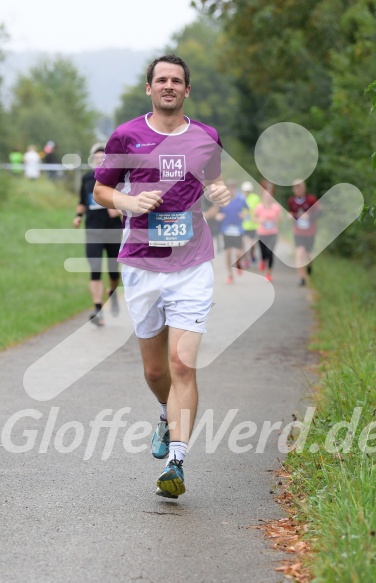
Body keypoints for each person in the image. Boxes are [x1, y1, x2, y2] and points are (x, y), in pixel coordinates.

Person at [92, 54, 230, 498]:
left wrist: (220, 191)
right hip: (141, 265)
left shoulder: (207, 137)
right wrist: (128, 203)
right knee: (156, 373)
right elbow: (101, 188)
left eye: (177, 80)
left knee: (181, 364)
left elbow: (213, 181)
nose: (169, 85)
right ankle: (164, 414)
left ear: (187, 90)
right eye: (161, 80)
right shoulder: (126, 135)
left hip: (191, 264)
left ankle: (177, 462)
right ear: (149, 88)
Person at [73, 143, 122, 326]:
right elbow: (82, 201)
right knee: (94, 268)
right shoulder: (87, 178)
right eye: (96, 158)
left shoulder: (116, 178)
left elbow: (128, 199)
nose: (99, 160)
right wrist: (78, 216)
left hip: (112, 229)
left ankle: (113, 291)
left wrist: (118, 208)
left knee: (113, 270)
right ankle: (97, 309)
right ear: (92, 160)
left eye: (103, 158)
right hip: (93, 229)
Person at [288, 180, 321, 286]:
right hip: (298, 233)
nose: (298, 189)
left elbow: (320, 212)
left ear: (304, 188)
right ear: (293, 189)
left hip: (310, 233)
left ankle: (309, 267)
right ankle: (302, 278)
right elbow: (291, 212)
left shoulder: (311, 199)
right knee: (299, 253)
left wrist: (309, 217)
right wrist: (290, 215)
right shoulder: (291, 201)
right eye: (296, 187)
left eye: (300, 187)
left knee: (308, 255)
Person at [216, 179, 248, 284]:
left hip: (238, 229)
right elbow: (218, 213)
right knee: (228, 253)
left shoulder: (241, 199)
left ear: (235, 188)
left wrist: (244, 215)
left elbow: (247, 210)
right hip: (226, 229)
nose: (231, 190)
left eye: (233, 188)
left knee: (238, 252)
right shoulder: (223, 200)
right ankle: (230, 275)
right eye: (229, 188)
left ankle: (239, 264)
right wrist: (219, 216)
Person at [254, 181, 282, 281]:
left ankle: (269, 273)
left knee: (270, 252)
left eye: (269, 195)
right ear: (263, 196)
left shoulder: (276, 207)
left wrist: (276, 218)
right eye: (266, 195)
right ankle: (262, 260)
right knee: (263, 253)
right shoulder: (259, 207)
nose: (268, 197)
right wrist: (260, 220)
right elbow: (254, 219)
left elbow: (280, 220)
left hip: (273, 233)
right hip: (262, 233)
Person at [241, 180, 261, 266]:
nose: (246, 192)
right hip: (243, 225)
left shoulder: (255, 198)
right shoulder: (240, 198)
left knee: (253, 244)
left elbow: (259, 209)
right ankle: (246, 260)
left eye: (248, 190)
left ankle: (252, 254)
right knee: (244, 244)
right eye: (245, 190)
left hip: (253, 225)